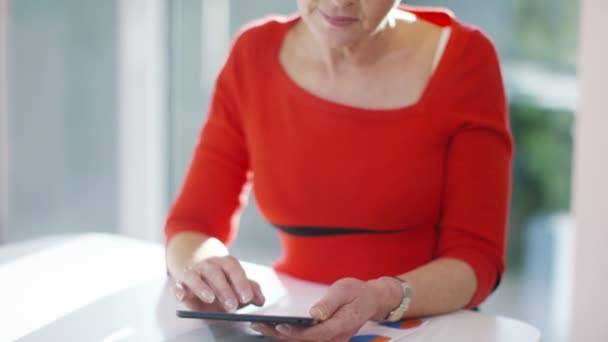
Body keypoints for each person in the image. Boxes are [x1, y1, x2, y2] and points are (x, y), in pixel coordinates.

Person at [164, 0, 512, 340]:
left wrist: (382, 298)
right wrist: (204, 269)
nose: (340, 1)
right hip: (294, 320)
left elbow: (476, 259)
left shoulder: (465, 59)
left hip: (424, 324)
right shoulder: (253, 54)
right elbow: (193, 224)